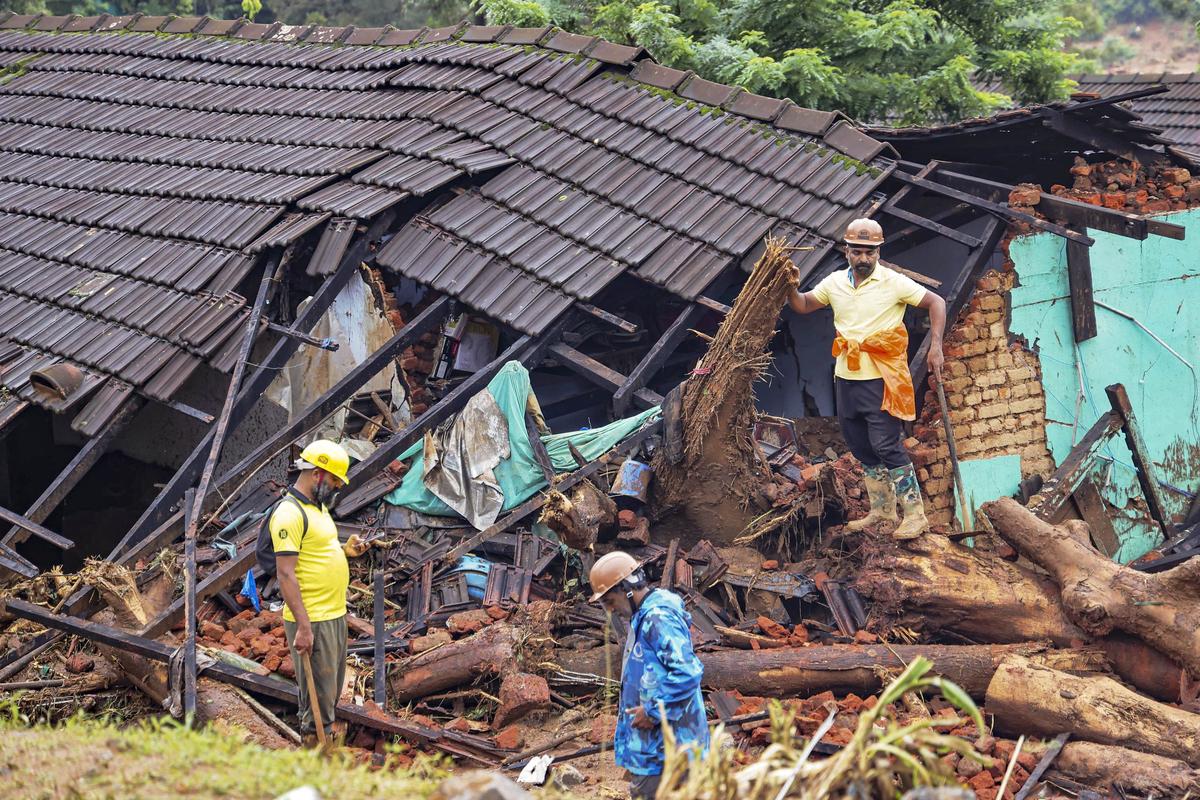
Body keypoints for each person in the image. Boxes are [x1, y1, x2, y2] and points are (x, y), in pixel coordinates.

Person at [786, 219, 947, 539]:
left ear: (878, 251)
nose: (863, 258)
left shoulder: (893, 282)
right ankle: (883, 510)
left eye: (869, 252)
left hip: (881, 378)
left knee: (887, 444)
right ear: (846, 251)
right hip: (846, 376)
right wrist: (788, 287)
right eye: (857, 251)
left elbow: (936, 303)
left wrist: (936, 346)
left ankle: (915, 515)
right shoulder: (834, 283)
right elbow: (804, 305)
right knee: (860, 444)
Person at [589, 551, 708, 800]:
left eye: (610, 601)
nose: (610, 610)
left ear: (628, 588)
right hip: (656, 748)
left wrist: (654, 711)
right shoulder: (641, 617)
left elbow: (687, 671)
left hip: (669, 750)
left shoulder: (658, 618)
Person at [270, 439, 362, 745]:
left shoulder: (318, 508)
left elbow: (316, 549)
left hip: (333, 614)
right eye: (334, 479)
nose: (337, 486)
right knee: (317, 699)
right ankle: (313, 762)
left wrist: (344, 551)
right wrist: (304, 626)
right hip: (314, 619)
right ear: (317, 473)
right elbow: (285, 572)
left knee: (330, 693)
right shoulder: (289, 513)